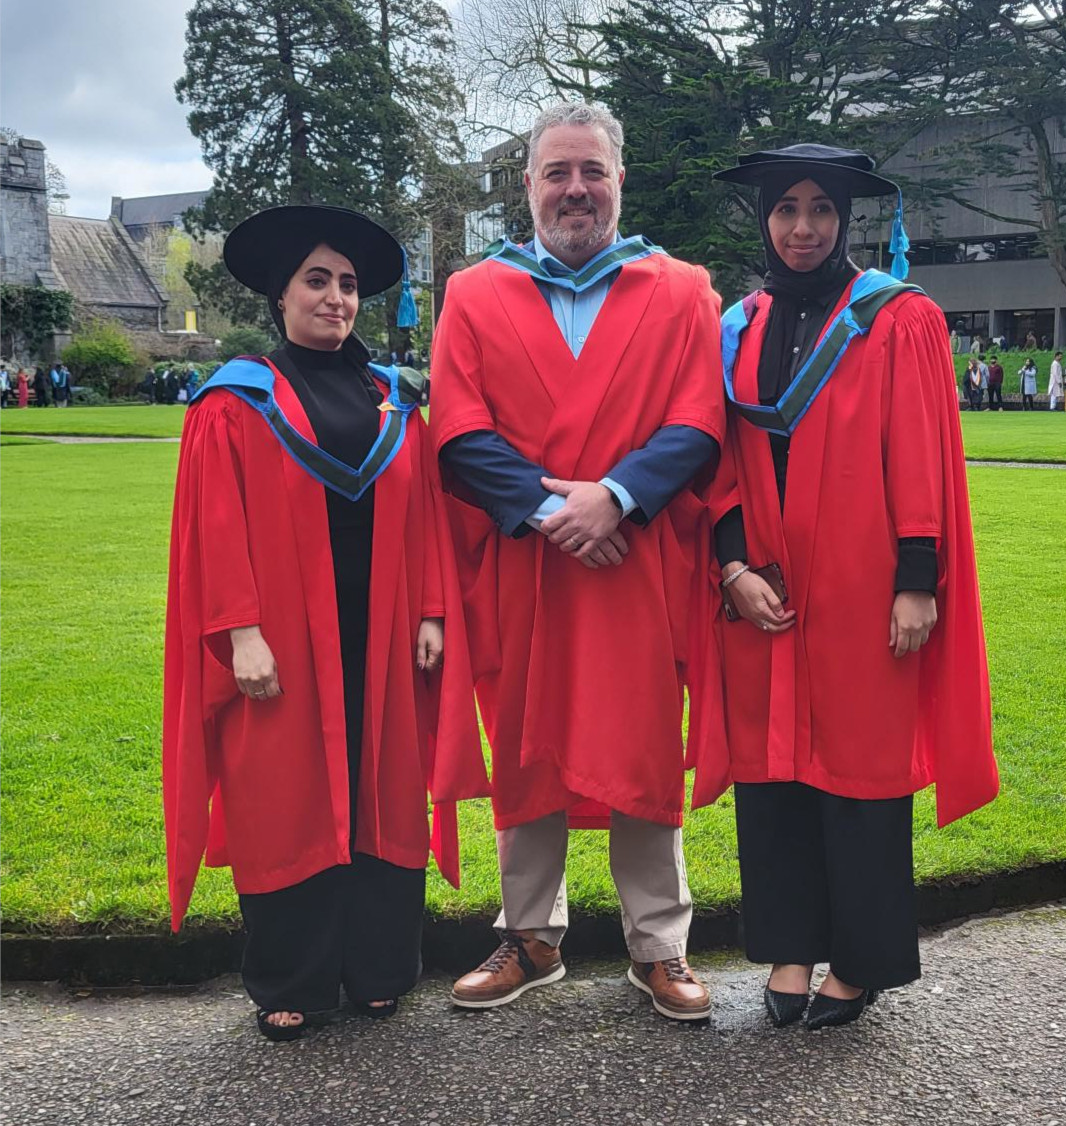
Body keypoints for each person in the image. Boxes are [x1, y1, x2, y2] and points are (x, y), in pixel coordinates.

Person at [163, 203, 489, 1042]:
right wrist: (239, 633)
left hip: (379, 633)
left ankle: (379, 969)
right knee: (286, 797)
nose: (337, 298)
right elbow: (216, 526)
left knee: (381, 788)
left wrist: (429, 612)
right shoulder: (236, 400)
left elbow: (421, 512)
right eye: (318, 281)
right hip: (283, 639)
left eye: (348, 285)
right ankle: (292, 977)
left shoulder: (390, 399)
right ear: (280, 295)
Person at [432, 102, 727, 1022]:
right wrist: (559, 508)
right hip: (528, 564)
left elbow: (698, 424)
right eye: (556, 173)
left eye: (591, 172)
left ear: (618, 182)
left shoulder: (680, 289)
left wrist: (618, 498)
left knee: (641, 738)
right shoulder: (474, 293)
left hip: (634, 564)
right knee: (525, 740)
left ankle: (660, 946)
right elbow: (458, 432)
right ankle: (530, 935)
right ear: (527, 185)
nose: (574, 190)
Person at [710, 143, 997, 1031]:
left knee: (863, 776)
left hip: (863, 578)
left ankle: (861, 961)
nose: (803, 227)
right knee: (773, 774)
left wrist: (918, 579)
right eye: (787, 209)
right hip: (766, 581)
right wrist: (731, 568)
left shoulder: (894, 317)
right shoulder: (737, 324)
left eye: (822, 211)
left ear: (847, 220)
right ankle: (791, 951)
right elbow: (714, 456)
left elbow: (920, 452)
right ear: (763, 218)